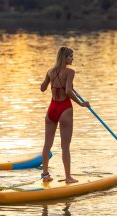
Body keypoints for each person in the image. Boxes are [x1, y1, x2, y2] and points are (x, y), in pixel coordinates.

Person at [40, 47, 90, 183]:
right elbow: (68, 91)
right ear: (65, 58)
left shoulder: (50, 71)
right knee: (65, 146)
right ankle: (68, 177)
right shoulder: (70, 72)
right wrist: (81, 103)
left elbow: (42, 88)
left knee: (47, 145)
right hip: (64, 109)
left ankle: (45, 175)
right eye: (71, 56)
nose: (72, 59)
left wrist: (52, 81)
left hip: (52, 109)